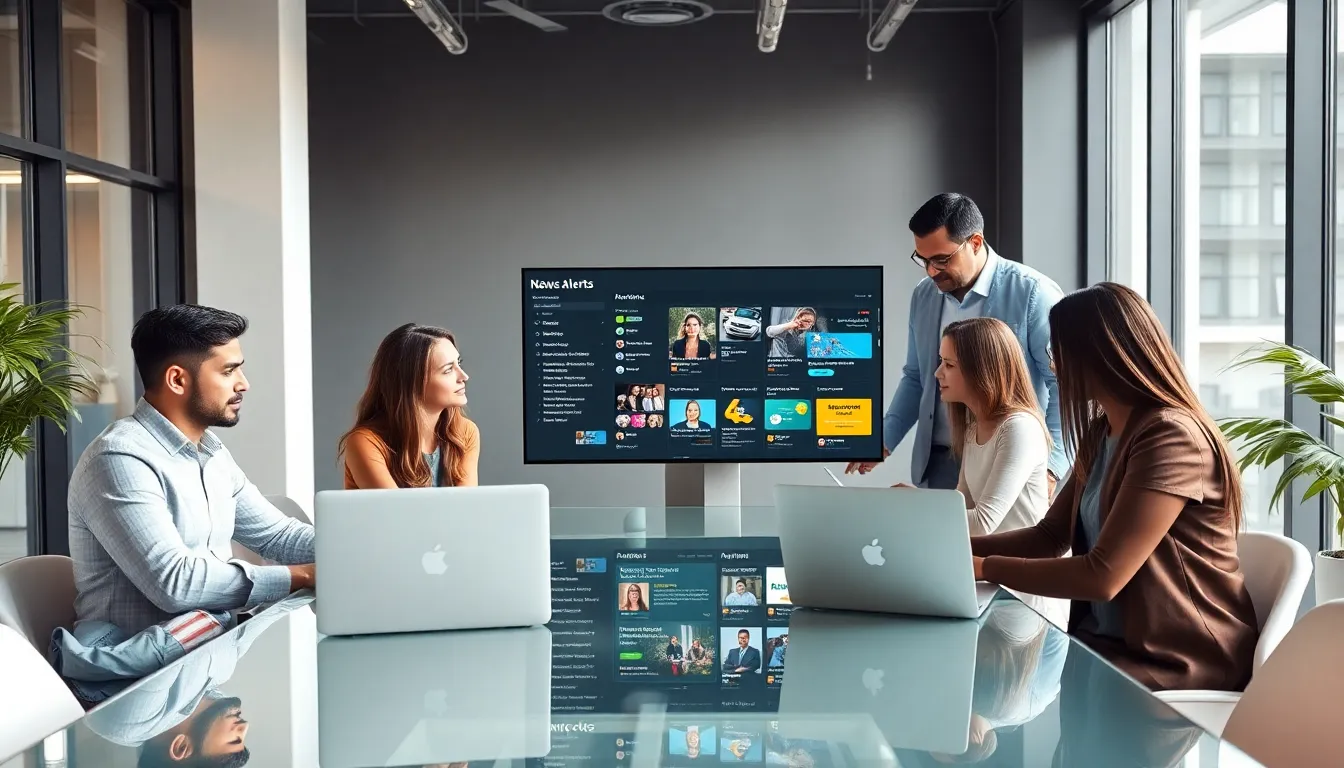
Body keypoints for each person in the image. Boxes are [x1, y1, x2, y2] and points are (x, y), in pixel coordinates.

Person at [971, 282, 1258, 692]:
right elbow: (1050, 536)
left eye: (1059, 353)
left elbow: (1103, 576)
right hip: (1107, 648)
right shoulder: (1101, 430)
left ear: (1100, 356)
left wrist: (983, 568)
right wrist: (956, 548)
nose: (1054, 367)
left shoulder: (1171, 437)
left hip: (1178, 661)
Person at [65, 305, 315, 640]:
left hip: (206, 657)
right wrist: (301, 576)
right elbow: (175, 583)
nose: (244, 384)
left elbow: (277, 536)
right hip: (137, 677)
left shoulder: (210, 452)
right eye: (228, 372)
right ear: (177, 379)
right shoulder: (119, 458)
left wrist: (356, 549)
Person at [846, 194, 1066, 494]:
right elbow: (917, 377)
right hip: (937, 463)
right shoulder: (924, 296)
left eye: (942, 259)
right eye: (923, 260)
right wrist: (883, 440)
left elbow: (1065, 385)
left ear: (975, 242)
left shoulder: (1033, 294)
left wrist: (1051, 468)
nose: (931, 271)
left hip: (1006, 465)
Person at [930, 318, 1051, 537]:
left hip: (1026, 566)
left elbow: (982, 522)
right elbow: (962, 505)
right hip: (992, 560)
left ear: (981, 370)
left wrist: (918, 507)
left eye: (949, 365)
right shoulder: (972, 430)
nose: (938, 373)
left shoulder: (1019, 428)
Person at [340, 323, 480, 489]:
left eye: (459, 363)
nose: (464, 376)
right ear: (412, 382)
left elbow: (466, 508)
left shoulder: (465, 433)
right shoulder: (365, 442)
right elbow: (395, 513)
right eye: (448, 369)